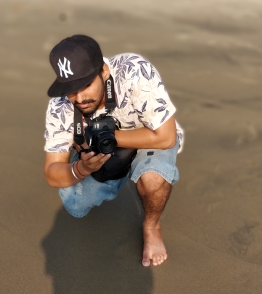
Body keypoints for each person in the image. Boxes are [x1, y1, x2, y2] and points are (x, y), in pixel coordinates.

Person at [44, 34, 184, 267]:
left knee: (153, 179)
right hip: (101, 156)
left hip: (150, 138)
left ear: (104, 71)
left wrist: (110, 137)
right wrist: (82, 168)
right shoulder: (60, 105)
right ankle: (119, 173)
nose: (79, 98)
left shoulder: (134, 72)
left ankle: (151, 226)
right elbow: (52, 172)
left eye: (86, 85)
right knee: (74, 203)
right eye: (70, 89)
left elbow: (166, 137)